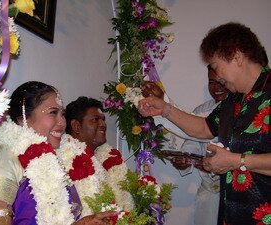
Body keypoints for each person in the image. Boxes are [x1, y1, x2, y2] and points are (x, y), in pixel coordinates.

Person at [138, 22, 271, 225]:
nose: (216, 76)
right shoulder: (234, 99)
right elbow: (204, 128)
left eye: (217, 67)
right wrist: (164, 109)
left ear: (237, 57)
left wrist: (236, 161)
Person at [0, 81, 114, 224]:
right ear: (23, 119)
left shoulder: (57, 158)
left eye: (62, 114)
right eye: (53, 113)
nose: (62, 122)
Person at [58, 96, 134, 217]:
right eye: (95, 120)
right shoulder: (63, 161)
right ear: (76, 126)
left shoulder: (105, 157)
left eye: (103, 119)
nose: (103, 124)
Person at [171, 65, 228, 225]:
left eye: (221, 81)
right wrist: (184, 161)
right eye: (212, 82)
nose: (217, 87)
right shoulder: (202, 111)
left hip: (237, 190)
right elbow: (191, 145)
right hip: (210, 191)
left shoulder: (243, 110)